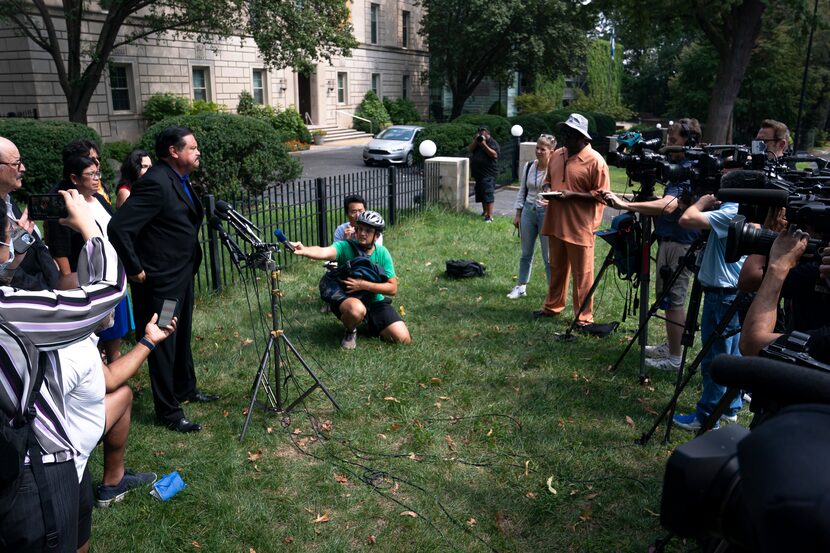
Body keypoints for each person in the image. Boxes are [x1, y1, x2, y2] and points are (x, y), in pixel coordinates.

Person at [0, 141, 127, 552]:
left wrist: (16, 248)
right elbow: (105, 293)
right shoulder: (10, 311)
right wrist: (90, 227)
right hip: (31, 469)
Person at [109, 126, 218, 434]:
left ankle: (186, 388)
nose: (198, 152)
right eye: (193, 147)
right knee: (163, 340)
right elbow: (119, 228)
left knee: (181, 334)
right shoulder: (156, 182)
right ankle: (168, 410)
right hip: (162, 282)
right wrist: (135, 268)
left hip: (182, 274)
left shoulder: (179, 179)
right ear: (174, 151)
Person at [62, 314, 176, 553]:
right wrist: (149, 340)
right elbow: (111, 380)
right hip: (60, 451)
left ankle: (114, 482)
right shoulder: (76, 342)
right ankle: (112, 483)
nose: (114, 310)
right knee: (122, 395)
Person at [603, 118, 703, 371]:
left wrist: (626, 205)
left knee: (674, 300)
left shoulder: (690, 169)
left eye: (675, 139)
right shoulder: (676, 167)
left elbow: (668, 205)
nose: (669, 144)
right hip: (669, 240)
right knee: (666, 297)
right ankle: (670, 346)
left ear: (690, 141)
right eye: (668, 138)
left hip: (680, 244)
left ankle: (675, 358)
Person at [46, 155, 131, 362]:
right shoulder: (65, 206)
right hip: (83, 279)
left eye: (98, 173)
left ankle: (116, 366)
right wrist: (68, 281)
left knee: (114, 331)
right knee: (94, 335)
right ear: (74, 178)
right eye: (91, 174)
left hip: (110, 270)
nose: (96, 178)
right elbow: (59, 249)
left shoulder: (100, 199)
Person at [672, 195, 746, 431]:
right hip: (735, 292)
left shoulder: (731, 212)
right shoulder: (744, 209)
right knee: (733, 354)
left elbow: (687, 219)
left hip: (721, 294)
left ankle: (707, 416)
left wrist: (701, 203)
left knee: (715, 358)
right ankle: (729, 407)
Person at [291, 211, 411, 349]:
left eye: (368, 230)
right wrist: (305, 250)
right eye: (360, 228)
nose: (362, 233)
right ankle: (351, 330)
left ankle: (369, 323)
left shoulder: (383, 253)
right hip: (348, 299)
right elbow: (324, 251)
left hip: (375, 301)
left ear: (376, 235)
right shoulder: (345, 246)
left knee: (403, 339)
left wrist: (363, 285)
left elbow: (392, 288)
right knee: (356, 310)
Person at [535, 113, 609, 324]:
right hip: (556, 221)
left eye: (570, 134)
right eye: (564, 132)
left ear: (583, 138)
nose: (565, 137)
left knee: (582, 274)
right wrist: (548, 188)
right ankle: (552, 307)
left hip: (580, 226)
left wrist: (572, 195)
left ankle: (583, 318)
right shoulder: (558, 154)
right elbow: (548, 180)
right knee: (557, 268)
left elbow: (603, 195)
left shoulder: (596, 161)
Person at [507, 134, 555, 299]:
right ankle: (521, 286)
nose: (539, 151)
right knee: (526, 252)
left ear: (551, 151)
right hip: (528, 211)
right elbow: (522, 191)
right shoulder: (529, 167)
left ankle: (553, 292)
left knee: (548, 256)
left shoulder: (554, 170)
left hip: (546, 214)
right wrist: (518, 214)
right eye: (537, 148)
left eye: (543, 149)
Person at [468, 125, 500, 222]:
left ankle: (489, 216)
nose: (482, 133)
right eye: (480, 131)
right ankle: (485, 212)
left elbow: (494, 154)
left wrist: (484, 145)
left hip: (489, 173)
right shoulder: (477, 141)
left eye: (484, 131)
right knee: (481, 193)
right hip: (479, 173)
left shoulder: (492, 142)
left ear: (488, 133)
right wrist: (476, 141)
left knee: (488, 193)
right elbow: (470, 149)